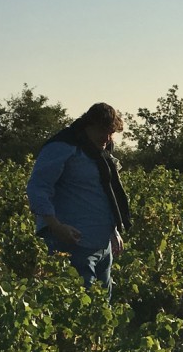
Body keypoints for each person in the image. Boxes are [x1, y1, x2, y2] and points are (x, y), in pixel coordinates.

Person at [26, 102, 131, 299]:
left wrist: (113, 230)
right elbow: (38, 188)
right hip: (73, 244)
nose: (107, 138)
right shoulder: (63, 146)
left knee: (102, 311)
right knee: (79, 308)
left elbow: (105, 191)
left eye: (111, 133)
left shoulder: (100, 150)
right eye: (103, 131)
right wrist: (56, 226)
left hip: (102, 245)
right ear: (88, 125)